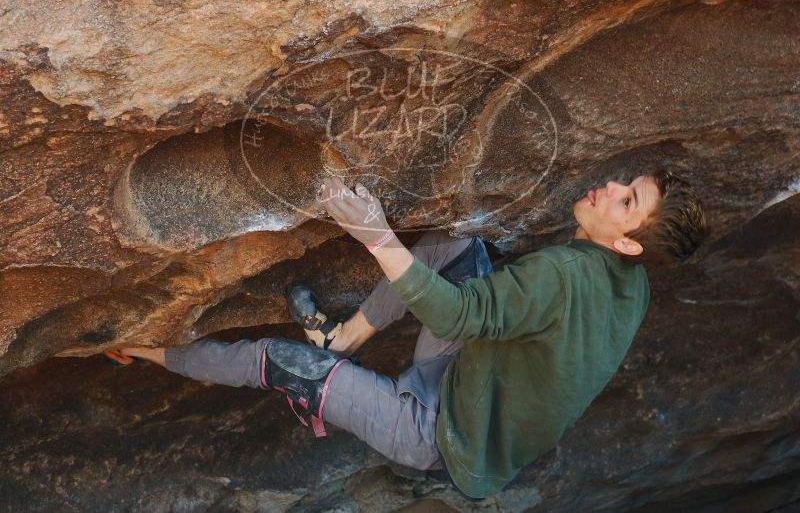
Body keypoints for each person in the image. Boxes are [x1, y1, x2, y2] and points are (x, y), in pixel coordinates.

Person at [110, 169, 707, 498]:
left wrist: (374, 233)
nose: (609, 186)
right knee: (461, 243)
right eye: (628, 183)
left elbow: (453, 315)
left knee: (282, 361)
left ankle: (143, 348)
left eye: (626, 201)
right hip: (470, 377)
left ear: (627, 241)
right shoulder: (636, 281)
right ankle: (339, 340)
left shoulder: (562, 274)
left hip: (439, 435)